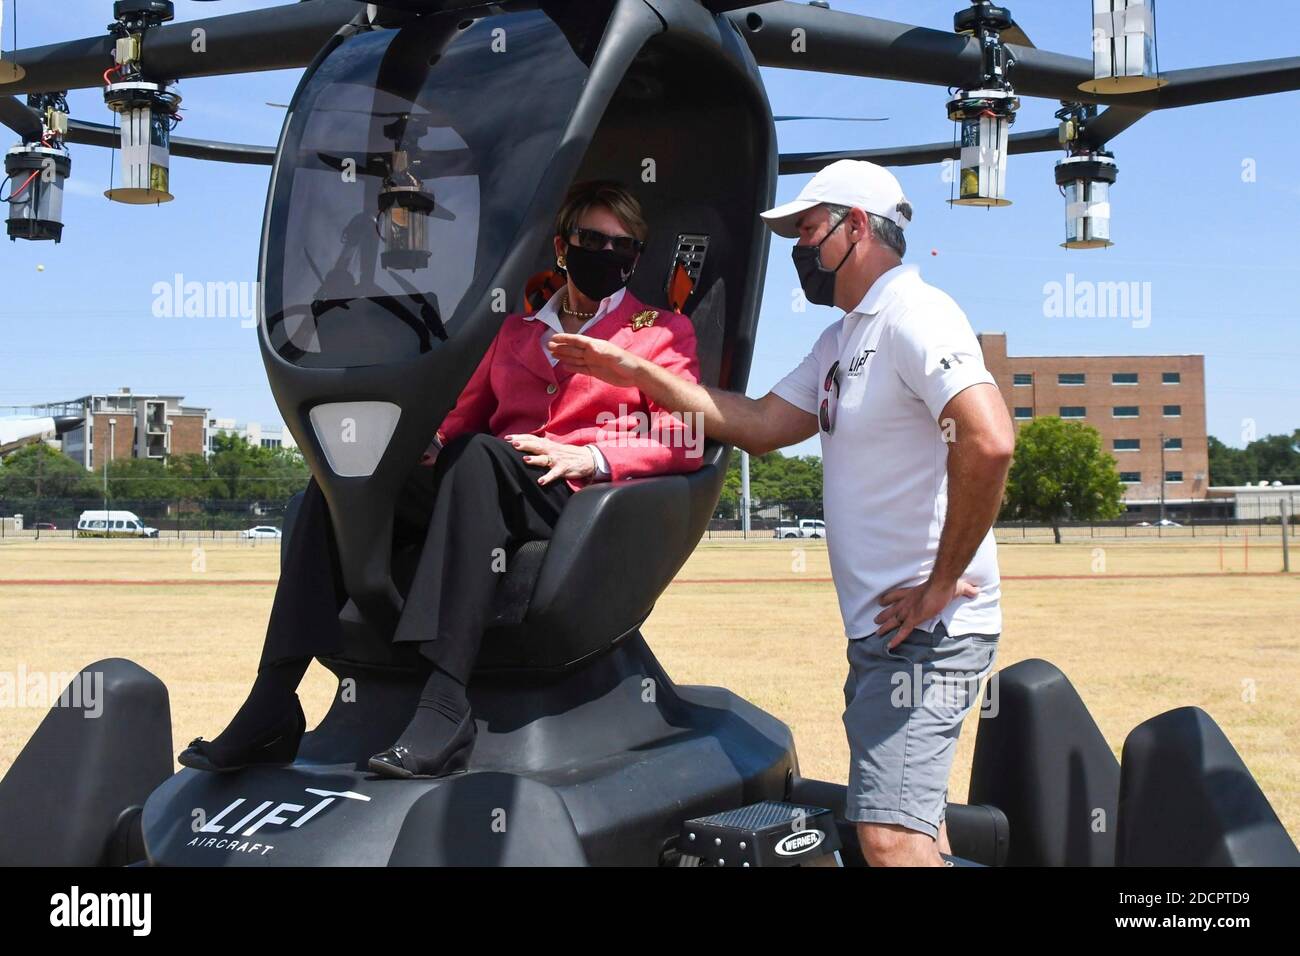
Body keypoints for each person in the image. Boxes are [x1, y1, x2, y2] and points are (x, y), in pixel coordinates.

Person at [549, 160, 1015, 866]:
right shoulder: (841, 341)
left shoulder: (914, 316)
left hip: (930, 629)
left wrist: (942, 580)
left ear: (855, 226)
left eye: (808, 231)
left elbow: (988, 440)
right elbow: (763, 423)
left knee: (889, 843)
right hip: (885, 633)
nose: (800, 250)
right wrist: (640, 372)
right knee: (915, 829)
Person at [180, 180, 704, 778]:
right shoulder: (515, 332)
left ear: (636, 258)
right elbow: (462, 416)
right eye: (592, 239)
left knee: (479, 457)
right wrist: (413, 449)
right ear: (562, 246)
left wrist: (594, 459)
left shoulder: (659, 333)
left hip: (577, 488)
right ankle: (273, 698)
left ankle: (445, 701)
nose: (607, 254)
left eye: (624, 246)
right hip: (493, 475)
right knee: (342, 483)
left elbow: (682, 437)